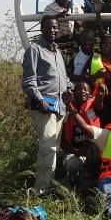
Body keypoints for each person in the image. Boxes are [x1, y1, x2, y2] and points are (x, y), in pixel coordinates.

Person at [22, 15, 74, 197]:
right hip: (44, 107)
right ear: (42, 29)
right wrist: (39, 99)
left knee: (54, 148)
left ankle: (48, 185)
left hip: (59, 107)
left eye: (55, 28)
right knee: (48, 147)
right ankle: (41, 190)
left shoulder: (57, 52)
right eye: (49, 27)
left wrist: (70, 88)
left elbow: (63, 78)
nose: (53, 30)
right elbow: (29, 81)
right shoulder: (34, 50)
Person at [59, 80, 103, 188]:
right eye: (79, 89)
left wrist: (100, 94)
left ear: (90, 93)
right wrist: (76, 152)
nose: (82, 92)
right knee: (72, 164)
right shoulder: (66, 109)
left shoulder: (93, 105)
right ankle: (72, 180)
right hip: (74, 152)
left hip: (92, 152)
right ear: (73, 93)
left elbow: (99, 104)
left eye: (85, 89)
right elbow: (62, 141)